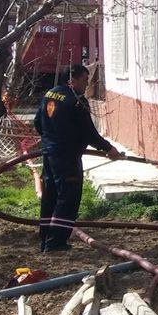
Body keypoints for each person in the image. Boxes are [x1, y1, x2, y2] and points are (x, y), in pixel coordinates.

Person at [33, 64, 121, 252]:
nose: (86, 85)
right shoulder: (76, 100)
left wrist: (51, 139)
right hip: (67, 157)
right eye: (84, 80)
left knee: (51, 196)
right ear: (72, 79)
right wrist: (108, 148)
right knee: (68, 198)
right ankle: (56, 243)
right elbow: (89, 132)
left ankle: (45, 239)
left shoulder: (50, 94)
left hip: (49, 154)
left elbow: (37, 122)